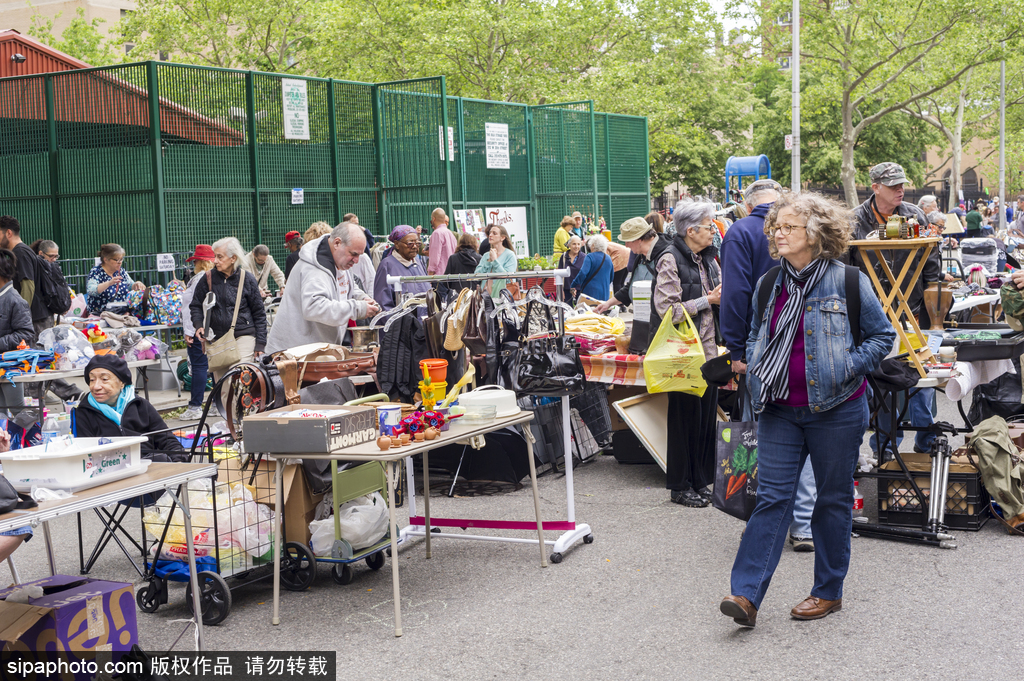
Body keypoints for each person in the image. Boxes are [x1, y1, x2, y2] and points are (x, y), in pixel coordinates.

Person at [720, 192, 895, 628]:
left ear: (815, 233)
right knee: (771, 499)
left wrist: (847, 367)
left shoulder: (848, 281)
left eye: (789, 227)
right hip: (778, 408)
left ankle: (828, 591)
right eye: (775, 227)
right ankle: (745, 595)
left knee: (831, 501)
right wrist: (756, 364)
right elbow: (757, 332)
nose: (778, 234)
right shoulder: (769, 283)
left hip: (836, 408)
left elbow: (882, 337)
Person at [720, 179, 818, 552]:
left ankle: (763, 522)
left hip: (761, 349)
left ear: (748, 205)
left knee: (760, 437)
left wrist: (736, 351)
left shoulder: (741, 231)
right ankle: (804, 525)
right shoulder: (804, 227)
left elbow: (735, 294)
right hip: (805, 348)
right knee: (804, 434)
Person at [851, 162, 944, 456]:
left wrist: (934, 304)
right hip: (871, 314)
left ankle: (925, 439)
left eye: (902, 184)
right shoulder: (854, 220)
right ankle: (885, 447)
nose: (900, 190)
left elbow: (931, 262)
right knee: (885, 379)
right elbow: (844, 268)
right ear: (875, 187)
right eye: (893, 186)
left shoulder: (914, 214)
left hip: (910, 309)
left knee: (920, 372)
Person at [656, 201, 722, 507]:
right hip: (683, 354)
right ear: (691, 230)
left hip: (708, 352)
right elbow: (667, 310)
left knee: (705, 421)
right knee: (684, 421)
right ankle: (680, 486)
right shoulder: (670, 258)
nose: (714, 231)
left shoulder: (708, 258)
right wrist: (708, 300)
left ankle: (700, 481)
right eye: (709, 226)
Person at [265, 223, 380, 354]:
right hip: (294, 353)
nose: (357, 260)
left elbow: (348, 286)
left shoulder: (338, 259)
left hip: (314, 351)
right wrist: (358, 308)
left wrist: (363, 298)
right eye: (354, 254)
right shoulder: (314, 268)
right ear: (337, 243)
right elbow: (314, 307)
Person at [73, 355, 186, 460]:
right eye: (92, 380)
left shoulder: (140, 405)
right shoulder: (84, 412)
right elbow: (87, 456)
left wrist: (179, 461)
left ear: (122, 383)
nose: (96, 386)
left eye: (105, 379)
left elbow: (167, 439)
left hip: (149, 464)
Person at [188, 237, 267, 380]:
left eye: (220, 257)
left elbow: (259, 313)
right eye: (215, 256)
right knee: (223, 386)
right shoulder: (208, 278)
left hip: (244, 336)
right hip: (218, 339)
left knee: (237, 377)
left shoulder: (247, 279)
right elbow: (195, 305)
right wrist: (198, 325)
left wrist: (260, 345)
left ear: (233, 258)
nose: (215, 261)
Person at [594, 217, 669, 316]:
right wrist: (608, 304)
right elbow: (631, 286)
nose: (626, 245)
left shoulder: (666, 256)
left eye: (627, 241)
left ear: (638, 239)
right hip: (645, 317)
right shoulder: (641, 257)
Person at [179, 245, 215, 421]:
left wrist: (188, 330)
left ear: (200, 262)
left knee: (199, 366)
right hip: (214, 329)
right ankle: (217, 404)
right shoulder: (216, 277)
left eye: (195, 261)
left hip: (197, 328)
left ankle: (195, 407)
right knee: (215, 367)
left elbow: (190, 308)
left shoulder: (198, 279)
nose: (193, 265)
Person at [0, 249, 35, 419]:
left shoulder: (15, 300)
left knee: (17, 408)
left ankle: (35, 432)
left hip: (10, 365)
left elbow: (26, 334)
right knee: (2, 411)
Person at [373, 225, 431, 310]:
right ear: (397, 244)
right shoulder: (387, 265)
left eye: (417, 243)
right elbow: (383, 303)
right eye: (410, 244)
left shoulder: (418, 262)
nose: (415, 246)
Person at [85, 244, 144, 316]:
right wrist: (109, 283)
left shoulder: (121, 271)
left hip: (121, 314)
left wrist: (137, 284)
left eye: (121, 259)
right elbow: (91, 290)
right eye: (116, 260)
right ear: (105, 259)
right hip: (101, 315)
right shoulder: (96, 272)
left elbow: (130, 285)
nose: (120, 262)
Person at [0, 216, 39, 318]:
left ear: (9, 233)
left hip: (31, 318)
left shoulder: (20, 253)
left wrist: (21, 316)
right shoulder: (22, 251)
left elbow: (28, 286)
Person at [475, 223, 517, 298]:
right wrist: (488, 262)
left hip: (501, 297)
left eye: (494, 233)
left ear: (502, 238)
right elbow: (476, 274)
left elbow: (508, 279)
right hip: (484, 297)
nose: (490, 235)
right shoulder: (486, 255)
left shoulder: (510, 255)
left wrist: (495, 261)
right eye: (490, 233)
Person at [438, 232, 481, 299]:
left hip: (457, 296)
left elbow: (446, 281)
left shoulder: (453, 258)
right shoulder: (479, 258)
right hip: (474, 295)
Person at [571, 235, 614, 302]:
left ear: (593, 245)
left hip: (590, 293)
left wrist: (574, 284)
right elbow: (611, 277)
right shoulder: (608, 258)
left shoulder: (590, 257)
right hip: (604, 293)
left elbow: (583, 273)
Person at [427, 207, 458, 276]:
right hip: (451, 274)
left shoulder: (436, 233)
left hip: (440, 275)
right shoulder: (450, 234)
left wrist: (430, 274)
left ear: (433, 219)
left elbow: (435, 257)